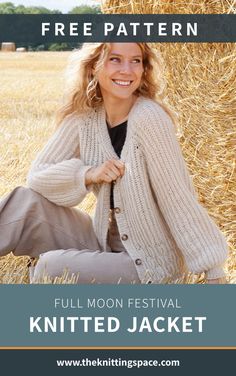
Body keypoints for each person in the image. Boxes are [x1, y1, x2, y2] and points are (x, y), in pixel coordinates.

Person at [0, 43, 228, 284]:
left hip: (148, 263)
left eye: (136, 61)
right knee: (23, 202)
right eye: (115, 59)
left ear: (144, 69)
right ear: (94, 66)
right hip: (103, 240)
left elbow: (178, 199)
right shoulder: (84, 118)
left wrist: (213, 270)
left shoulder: (150, 118)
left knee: (51, 267)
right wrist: (87, 174)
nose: (127, 70)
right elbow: (37, 177)